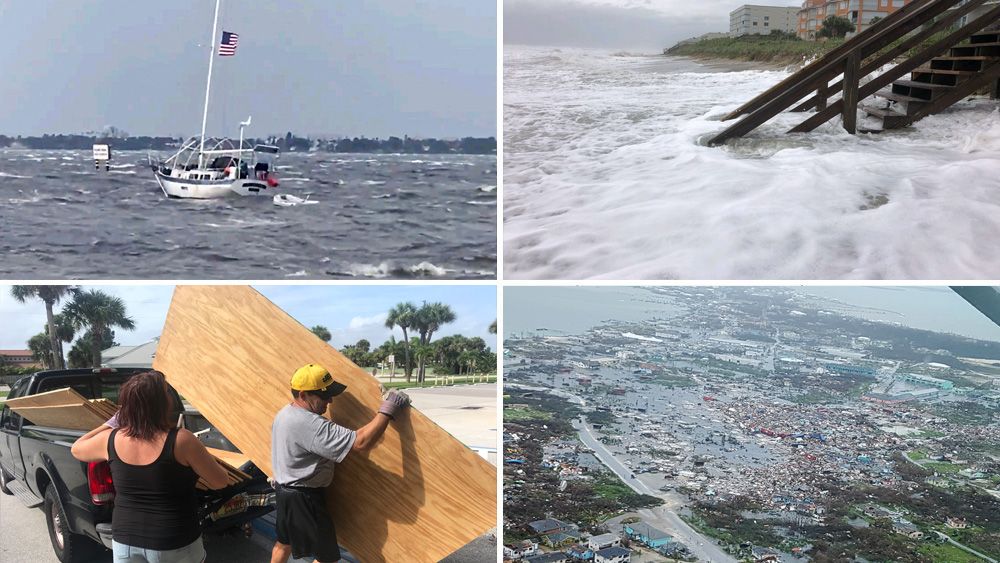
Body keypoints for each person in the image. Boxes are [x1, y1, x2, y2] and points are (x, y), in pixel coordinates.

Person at [71, 370, 231, 563]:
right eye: (166, 393)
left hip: (125, 541)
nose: (170, 398)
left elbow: (77, 448)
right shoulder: (181, 440)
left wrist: (112, 423)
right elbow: (220, 482)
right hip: (174, 541)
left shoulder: (110, 439)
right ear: (160, 404)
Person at [270, 363, 411, 563]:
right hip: (305, 499)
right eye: (324, 395)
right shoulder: (309, 424)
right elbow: (361, 442)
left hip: (285, 493)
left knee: (283, 544)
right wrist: (388, 409)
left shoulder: (285, 413)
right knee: (327, 558)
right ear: (303, 395)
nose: (330, 400)